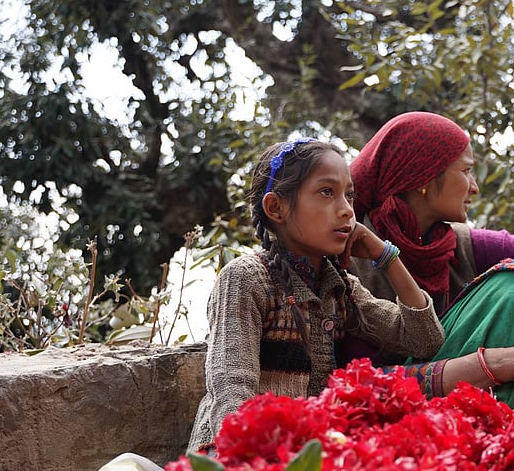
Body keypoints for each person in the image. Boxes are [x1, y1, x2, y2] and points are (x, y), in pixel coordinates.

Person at [346, 111, 514, 427]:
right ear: (422, 179)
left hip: (484, 395)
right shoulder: (350, 255)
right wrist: (494, 365)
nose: (474, 187)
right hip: (398, 420)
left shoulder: (459, 244)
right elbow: (351, 380)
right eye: (466, 171)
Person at [188, 138, 444, 451]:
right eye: (327, 192)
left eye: (349, 195)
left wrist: (385, 255)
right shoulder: (246, 278)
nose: (347, 210)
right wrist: (259, 464)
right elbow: (231, 392)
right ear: (276, 207)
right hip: (236, 455)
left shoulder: (338, 287)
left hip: (305, 452)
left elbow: (424, 339)